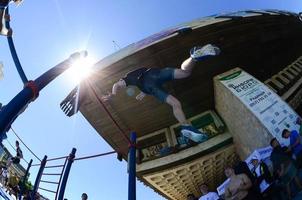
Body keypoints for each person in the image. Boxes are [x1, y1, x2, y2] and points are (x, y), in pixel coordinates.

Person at [103, 44, 220, 143]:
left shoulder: (127, 78)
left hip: (151, 86)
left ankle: (186, 126)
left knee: (175, 104)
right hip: (156, 74)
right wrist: (143, 93)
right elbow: (140, 83)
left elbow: (116, 85)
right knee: (185, 73)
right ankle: (193, 57)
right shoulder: (136, 75)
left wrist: (113, 94)